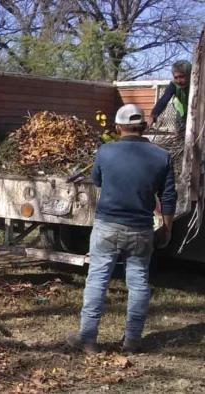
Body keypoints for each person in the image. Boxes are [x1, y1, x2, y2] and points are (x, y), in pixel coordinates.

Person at [66, 104, 177, 354]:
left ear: (118, 127)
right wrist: (166, 229)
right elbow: (169, 196)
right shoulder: (162, 156)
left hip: (107, 226)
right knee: (138, 283)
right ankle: (132, 340)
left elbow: (97, 180)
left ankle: (88, 338)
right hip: (141, 229)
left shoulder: (106, 151)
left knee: (97, 281)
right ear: (144, 127)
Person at [151, 60, 192, 131]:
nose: (179, 81)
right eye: (176, 77)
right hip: (182, 111)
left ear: (190, 74)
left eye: (181, 77)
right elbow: (164, 99)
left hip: (197, 111)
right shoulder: (173, 85)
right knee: (181, 133)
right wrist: (154, 115)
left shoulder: (198, 83)